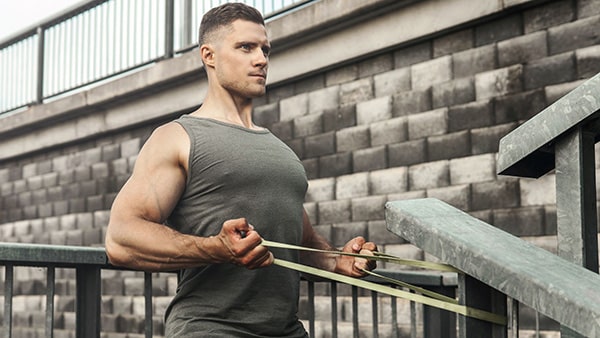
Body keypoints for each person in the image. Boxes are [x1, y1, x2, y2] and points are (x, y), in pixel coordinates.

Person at [105, 2, 377, 337]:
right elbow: (121, 238)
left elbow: (299, 240)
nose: (261, 59)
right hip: (211, 329)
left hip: (287, 330)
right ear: (210, 55)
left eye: (265, 49)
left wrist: (336, 261)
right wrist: (215, 249)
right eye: (245, 47)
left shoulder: (281, 151)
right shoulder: (177, 137)